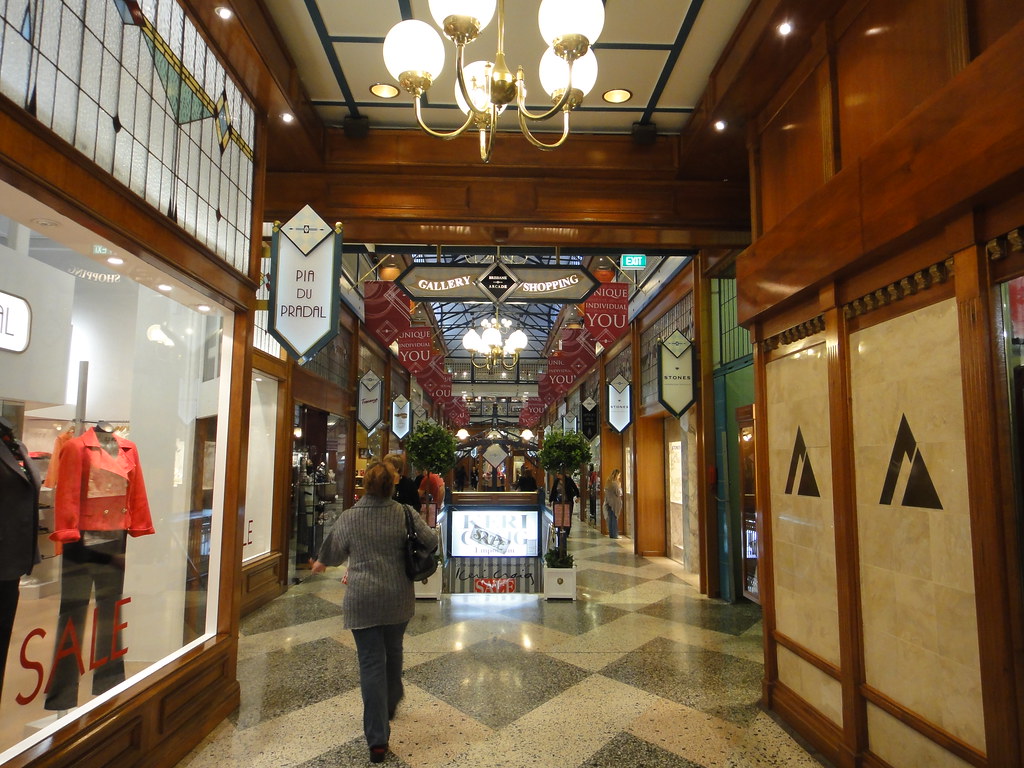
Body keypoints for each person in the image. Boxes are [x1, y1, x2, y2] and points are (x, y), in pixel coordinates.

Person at [310, 463, 437, 764]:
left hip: (362, 599)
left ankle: (377, 740)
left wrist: (321, 562)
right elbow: (431, 541)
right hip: (397, 597)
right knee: (393, 652)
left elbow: (335, 554)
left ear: (365, 486)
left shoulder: (350, 517)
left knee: (371, 664)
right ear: (392, 485)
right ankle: (391, 702)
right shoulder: (404, 513)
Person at [605, 468, 623, 539]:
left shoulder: (608, 482)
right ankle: (615, 535)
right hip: (614, 504)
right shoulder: (615, 483)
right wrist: (620, 487)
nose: (619, 477)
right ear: (616, 475)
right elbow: (618, 493)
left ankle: (611, 534)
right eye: (619, 475)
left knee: (611, 519)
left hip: (609, 503)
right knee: (614, 519)